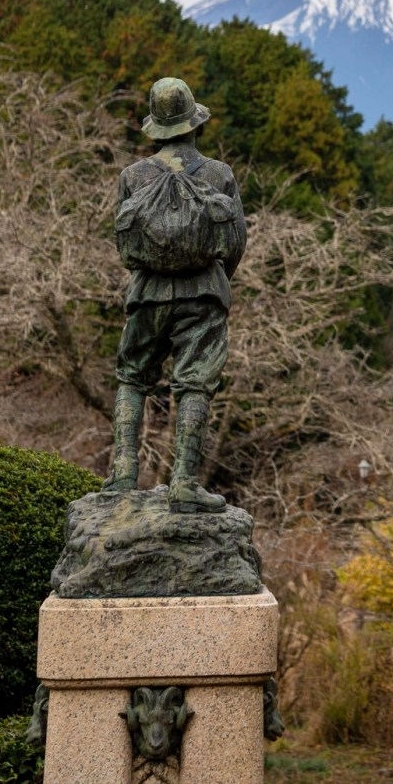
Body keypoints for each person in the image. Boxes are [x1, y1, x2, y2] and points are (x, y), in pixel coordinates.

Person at [107, 76, 247, 512]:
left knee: (133, 377)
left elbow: (126, 247)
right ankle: (184, 481)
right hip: (204, 292)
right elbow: (236, 242)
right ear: (193, 124)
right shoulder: (219, 174)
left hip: (147, 292)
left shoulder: (134, 176)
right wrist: (216, 278)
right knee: (194, 384)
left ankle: (123, 472)